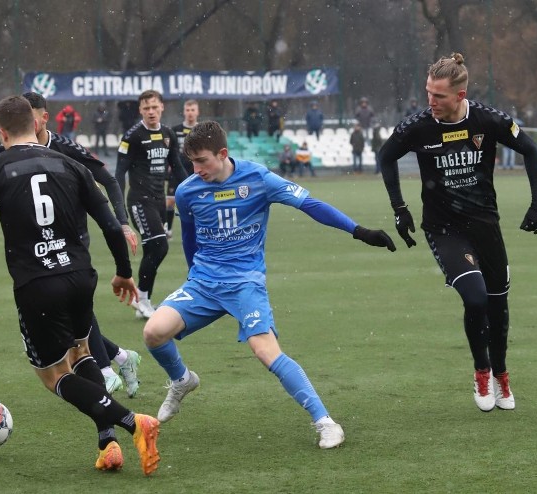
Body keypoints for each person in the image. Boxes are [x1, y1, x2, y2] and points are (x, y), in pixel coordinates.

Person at [0, 95, 160, 475]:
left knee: (54, 375)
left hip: (38, 285)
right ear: (36, 125)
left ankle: (134, 423)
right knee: (82, 353)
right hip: (80, 276)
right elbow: (111, 225)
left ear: (1, 132)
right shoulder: (69, 163)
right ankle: (107, 440)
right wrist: (122, 271)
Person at [142, 121, 396, 449]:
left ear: (223, 154)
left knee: (264, 350)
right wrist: (195, 275)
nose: (196, 169)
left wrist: (358, 230)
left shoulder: (258, 178)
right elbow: (189, 239)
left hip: (245, 282)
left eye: (202, 160)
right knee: (153, 332)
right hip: (204, 283)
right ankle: (181, 380)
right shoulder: (188, 191)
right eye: (191, 161)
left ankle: (325, 422)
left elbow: (310, 204)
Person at [378, 53, 537, 413]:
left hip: (486, 226)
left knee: (499, 307)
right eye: (428, 93)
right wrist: (400, 208)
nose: (431, 102)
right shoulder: (419, 126)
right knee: (475, 298)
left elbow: (531, 150)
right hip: (444, 230)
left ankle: (501, 375)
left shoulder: (487, 119)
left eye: (438, 96)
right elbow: (385, 155)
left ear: (460, 94)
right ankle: (481, 371)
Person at [0, 91, 142, 397]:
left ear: (42, 117)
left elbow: (108, 179)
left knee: (71, 306)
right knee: (64, 318)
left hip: (69, 236)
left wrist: (121, 222)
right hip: (33, 242)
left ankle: (104, 372)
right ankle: (120, 358)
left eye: (34, 114)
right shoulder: (8, 149)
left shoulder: (64, 148)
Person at [115, 89, 188, 319]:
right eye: (146, 108)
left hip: (158, 200)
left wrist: (192, 190)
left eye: (154, 107)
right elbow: (119, 173)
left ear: (162, 107)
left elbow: (176, 167)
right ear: (140, 111)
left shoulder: (168, 134)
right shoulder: (132, 136)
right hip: (139, 201)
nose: (151, 112)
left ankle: (143, 301)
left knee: (152, 249)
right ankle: (142, 298)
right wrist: (118, 208)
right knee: (160, 246)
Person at [166, 99, 199, 240]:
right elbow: (168, 150)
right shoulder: (175, 130)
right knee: (170, 201)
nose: (190, 113)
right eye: (188, 110)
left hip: (195, 169)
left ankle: (198, 228)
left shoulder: (201, 129)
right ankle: (167, 229)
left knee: (196, 200)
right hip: (176, 169)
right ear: (184, 112)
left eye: (192, 110)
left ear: (197, 112)